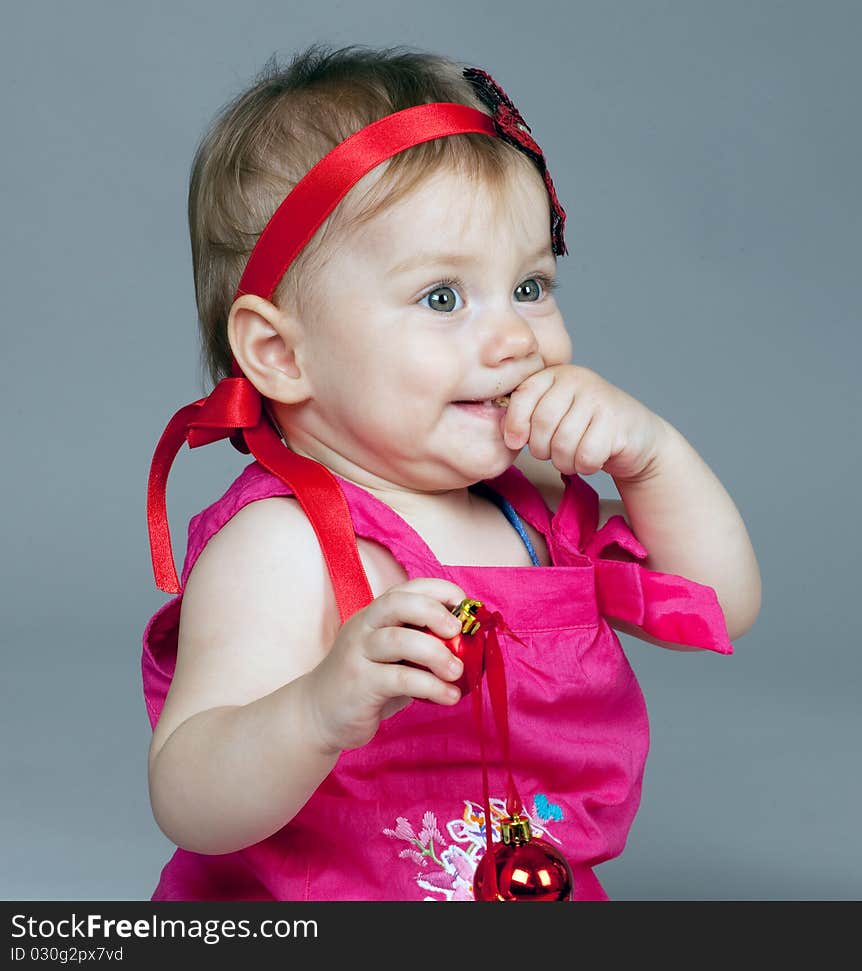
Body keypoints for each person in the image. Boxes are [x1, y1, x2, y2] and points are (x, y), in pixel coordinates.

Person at [142, 43, 761, 902]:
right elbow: (189, 796)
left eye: (532, 286)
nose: (515, 338)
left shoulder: (537, 511)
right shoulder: (283, 548)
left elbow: (720, 604)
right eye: (444, 298)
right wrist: (316, 710)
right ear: (282, 353)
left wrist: (654, 458)